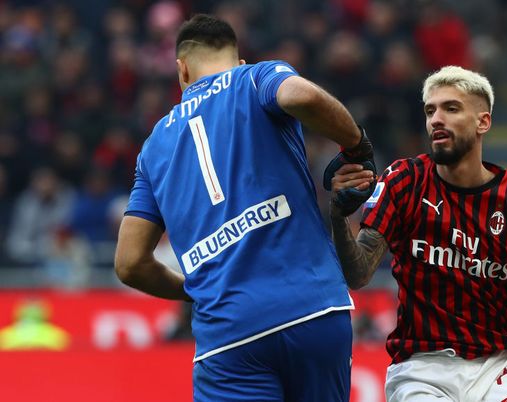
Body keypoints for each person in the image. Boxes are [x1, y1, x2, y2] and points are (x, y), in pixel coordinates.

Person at [114, 14, 375, 402]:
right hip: (313, 309)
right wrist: (356, 146)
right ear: (238, 61)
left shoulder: (153, 149)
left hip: (229, 335)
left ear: (182, 70)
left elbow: (129, 263)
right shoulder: (254, 78)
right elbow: (302, 96)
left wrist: (196, 291)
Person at [328, 66, 507, 402]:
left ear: (483, 122)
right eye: (430, 111)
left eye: (451, 108)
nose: (436, 120)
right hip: (419, 368)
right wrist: (338, 216)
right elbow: (358, 275)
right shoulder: (404, 181)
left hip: (495, 367)